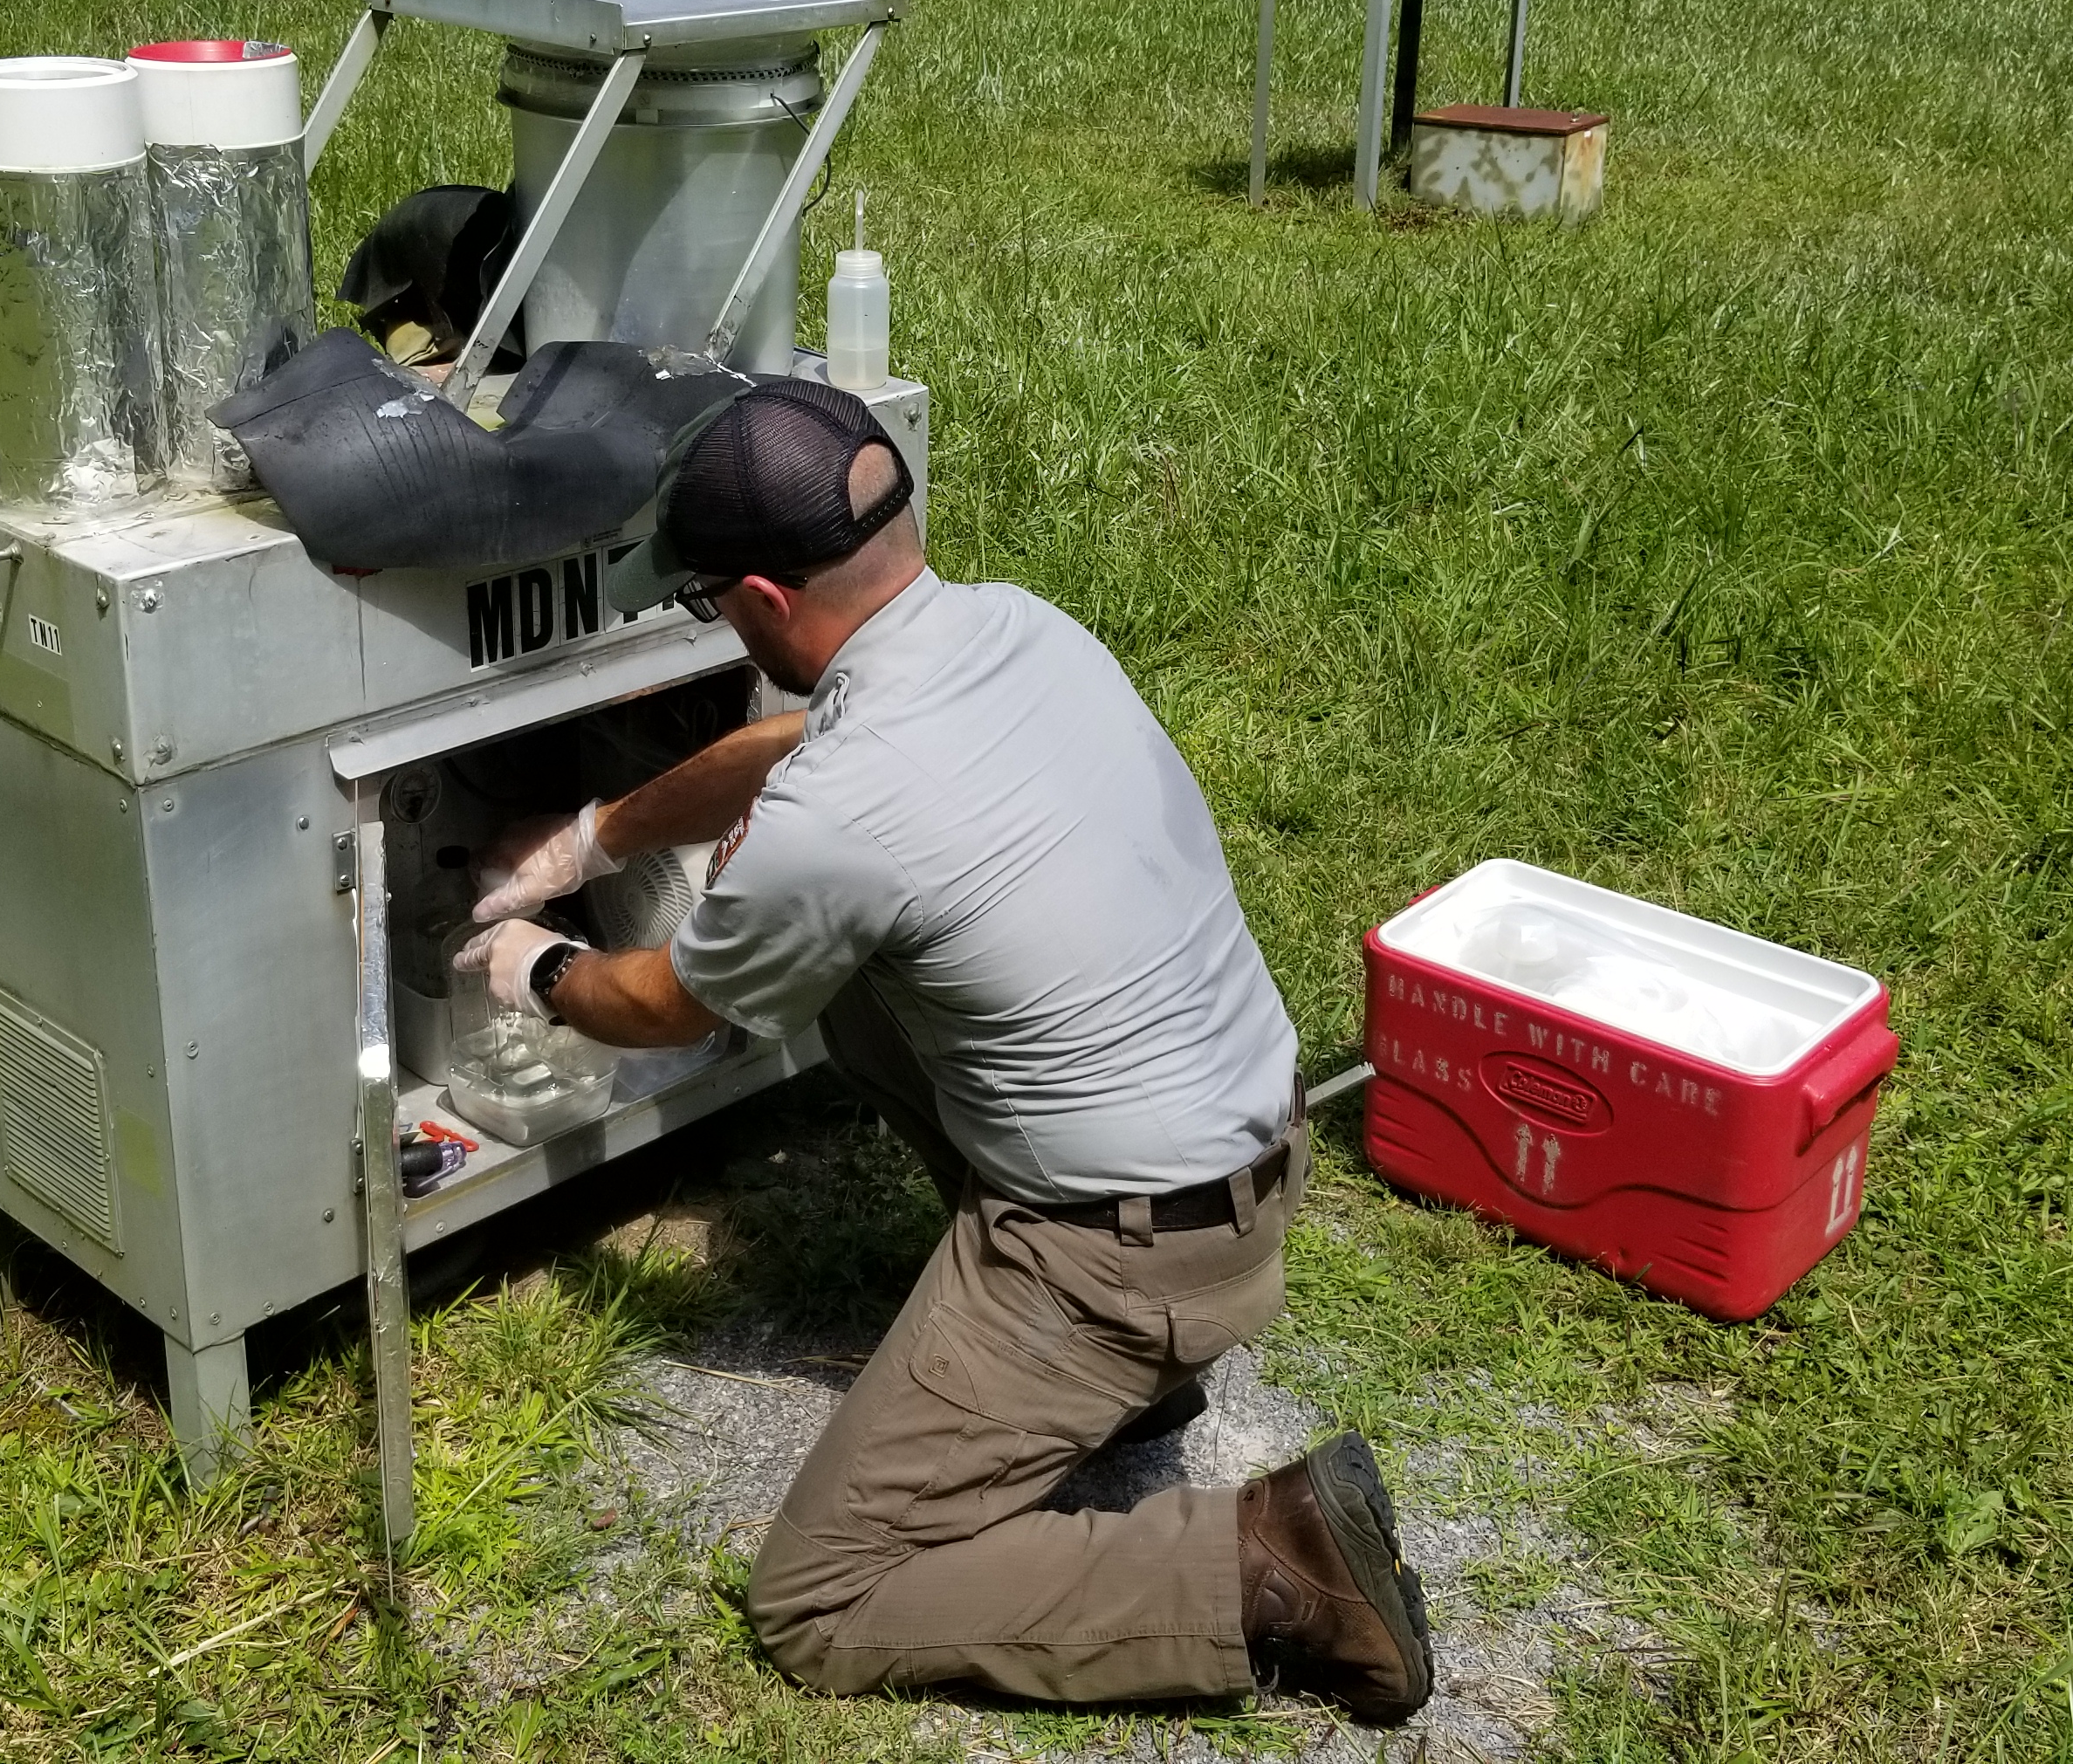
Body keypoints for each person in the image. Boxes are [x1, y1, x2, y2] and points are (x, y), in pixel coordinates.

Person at [454, 380, 1434, 1719]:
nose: (715, 620)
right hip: (1244, 1137)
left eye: (705, 603)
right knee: (856, 992)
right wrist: (597, 836)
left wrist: (540, 966)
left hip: (1122, 1253)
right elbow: (791, 745)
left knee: (822, 1600)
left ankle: (1267, 1564)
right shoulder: (1019, 628)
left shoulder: (841, 822)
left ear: (760, 596)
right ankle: (1118, 1392)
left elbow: (667, 1006)